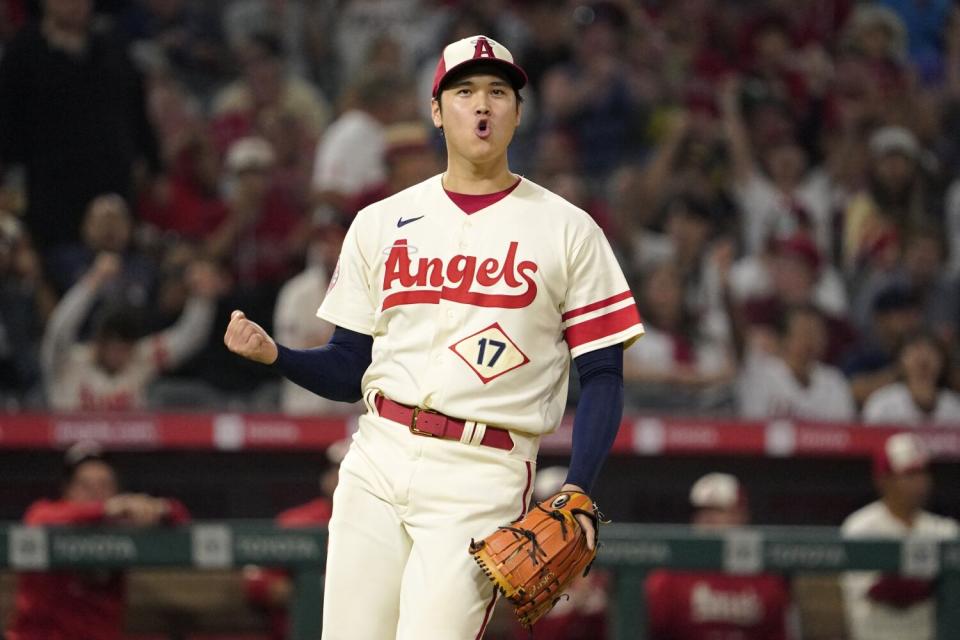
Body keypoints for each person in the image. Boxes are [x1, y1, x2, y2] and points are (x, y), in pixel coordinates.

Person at [225, 34, 644, 639]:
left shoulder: (568, 229)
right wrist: (278, 356)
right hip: (377, 452)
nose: (483, 105)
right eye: (465, 90)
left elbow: (603, 372)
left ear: (517, 114)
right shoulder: (379, 222)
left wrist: (578, 487)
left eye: (499, 93)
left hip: (484, 467)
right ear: (436, 110)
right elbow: (349, 368)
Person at [6, 442, 190, 640]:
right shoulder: (48, 514)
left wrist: (159, 508)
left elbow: (181, 516)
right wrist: (107, 508)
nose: (96, 493)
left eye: (104, 485)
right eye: (85, 485)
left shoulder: (119, 525)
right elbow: (38, 519)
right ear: (67, 490)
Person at [41, 251, 223, 411]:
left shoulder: (140, 359)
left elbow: (188, 338)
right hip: (70, 447)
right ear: (99, 341)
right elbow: (58, 331)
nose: (118, 354)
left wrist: (202, 298)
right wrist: (93, 281)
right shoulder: (69, 362)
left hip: (130, 450)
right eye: (112, 344)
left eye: (124, 346)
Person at [646, 473, 796, 640]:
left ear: (742, 515)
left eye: (718, 510)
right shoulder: (671, 576)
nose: (707, 517)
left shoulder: (766, 577)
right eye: (701, 510)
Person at [841, 432, 959, 640]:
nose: (921, 482)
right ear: (883, 480)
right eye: (910, 475)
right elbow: (883, 592)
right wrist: (933, 584)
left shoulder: (945, 530)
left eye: (923, 473)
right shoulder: (860, 527)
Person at [243, 439, 348, 640]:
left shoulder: (388, 524)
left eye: (350, 470)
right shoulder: (296, 522)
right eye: (336, 470)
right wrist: (299, 591)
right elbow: (255, 580)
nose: (341, 477)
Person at [737, 304, 856, 421]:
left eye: (817, 333)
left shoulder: (834, 381)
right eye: (805, 333)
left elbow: (845, 433)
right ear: (784, 338)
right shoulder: (760, 376)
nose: (811, 340)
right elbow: (752, 430)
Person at [862, 332, 960, 426]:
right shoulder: (882, 403)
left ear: (942, 361)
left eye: (930, 352)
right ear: (900, 362)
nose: (923, 360)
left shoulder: (954, 406)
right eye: (915, 353)